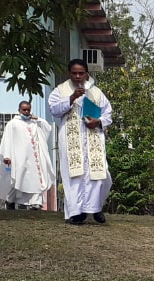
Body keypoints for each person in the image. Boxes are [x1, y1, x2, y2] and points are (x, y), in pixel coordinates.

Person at [49, 58, 112, 225]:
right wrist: (71, 98)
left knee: (100, 175)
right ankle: (77, 213)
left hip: (93, 140)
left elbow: (108, 114)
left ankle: (96, 207)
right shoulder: (60, 91)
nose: (78, 76)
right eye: (74, 73)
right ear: (69, 74)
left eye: (81, 73)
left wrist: (98, 122)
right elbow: (54, 109)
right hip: (72, 142)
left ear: (86, 73)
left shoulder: (96, 93)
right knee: (74, 176)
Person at [0, 101, 55, 210]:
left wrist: (38, 118)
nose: (26, 112)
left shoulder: (34, 123)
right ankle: (10, 201)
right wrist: (7, 155)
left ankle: (36, 203)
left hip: (34, 159)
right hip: (18, 158)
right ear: (19, 110)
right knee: (17, 179)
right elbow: (7, 140)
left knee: (36, 180)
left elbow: (47, 128)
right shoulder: (13, 123)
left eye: (28, 110)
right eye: (24, 110)